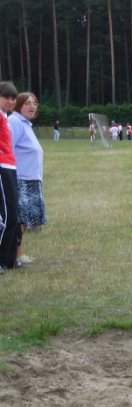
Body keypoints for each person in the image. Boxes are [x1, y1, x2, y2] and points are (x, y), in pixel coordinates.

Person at [9, 92, 45, 267]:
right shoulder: (15, 122)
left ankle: (18, 254)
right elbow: (7, 149)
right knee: (19, 220)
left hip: (31, 180)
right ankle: (14, 256)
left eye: (34, 103)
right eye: (27, 103)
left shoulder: (25, 124)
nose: (32, 106)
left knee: (23, 221)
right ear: (18, 106)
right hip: (20, 179)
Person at [0, 81, 19, 271]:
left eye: (13, 98)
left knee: (13, 213)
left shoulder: (5, 117)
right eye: (6, 97)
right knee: (7, 215)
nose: (11, 101)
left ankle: (10, 259)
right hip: (2, 168)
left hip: (10, 167)